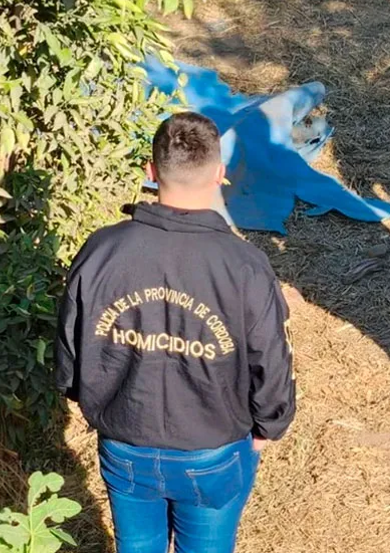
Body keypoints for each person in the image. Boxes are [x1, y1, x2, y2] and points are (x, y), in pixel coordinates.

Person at [55, 112, 296, 553]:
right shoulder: (243, 265)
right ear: (220, 175)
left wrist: (90, 399)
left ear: (150, 173)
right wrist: (270, 426)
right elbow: (271, 359)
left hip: (125, 443)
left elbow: (70, 348)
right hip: (213, 450)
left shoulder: (102, 249)